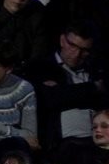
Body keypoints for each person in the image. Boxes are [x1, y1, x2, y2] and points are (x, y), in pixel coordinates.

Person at [23, 22, 107, 151]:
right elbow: (50, 98)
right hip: (61, 143)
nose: (76, 54)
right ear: (62, 40)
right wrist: (94, 87)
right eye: (72, 45)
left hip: (98, 141)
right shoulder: (40, 67)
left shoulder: (97, 70)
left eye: (84, 50)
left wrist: (65, 92)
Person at [0, 43, 39, 161]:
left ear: (9, 69)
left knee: (15, 146)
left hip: (14, 147)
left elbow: (31, 137)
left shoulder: (24, 89)